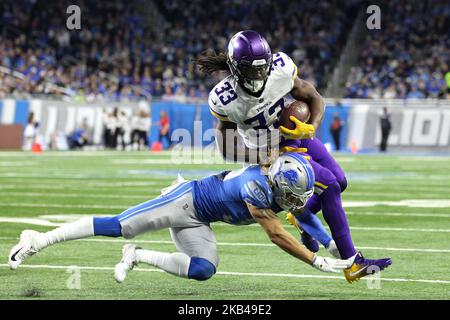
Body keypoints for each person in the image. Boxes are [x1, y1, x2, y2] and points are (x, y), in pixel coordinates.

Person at [194, 30, 392, 282]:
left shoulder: (280, 68)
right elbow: (225, 147)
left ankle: (301, 217)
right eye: (251, 69)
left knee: (340, 181)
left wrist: (311, 127)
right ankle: (352, 264)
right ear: (235, 67)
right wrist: (261, 156)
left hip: (294, 135)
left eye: (261, 68)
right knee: (329, 186)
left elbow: (313, 97)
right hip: (269, 153)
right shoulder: (226, 98)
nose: (258, 74)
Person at [8, 153, 354, 282]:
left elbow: (302, 215)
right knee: (119, 226)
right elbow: (277, 234)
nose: (297, 201)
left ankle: (138, 256)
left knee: (204, 269)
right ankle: (37, 239)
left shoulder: (278, 185)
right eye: (292, 194)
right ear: (278, 182)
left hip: (200, 220)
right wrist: (315, 261)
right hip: (185, 202)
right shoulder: (257, 188)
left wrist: (334, 247)